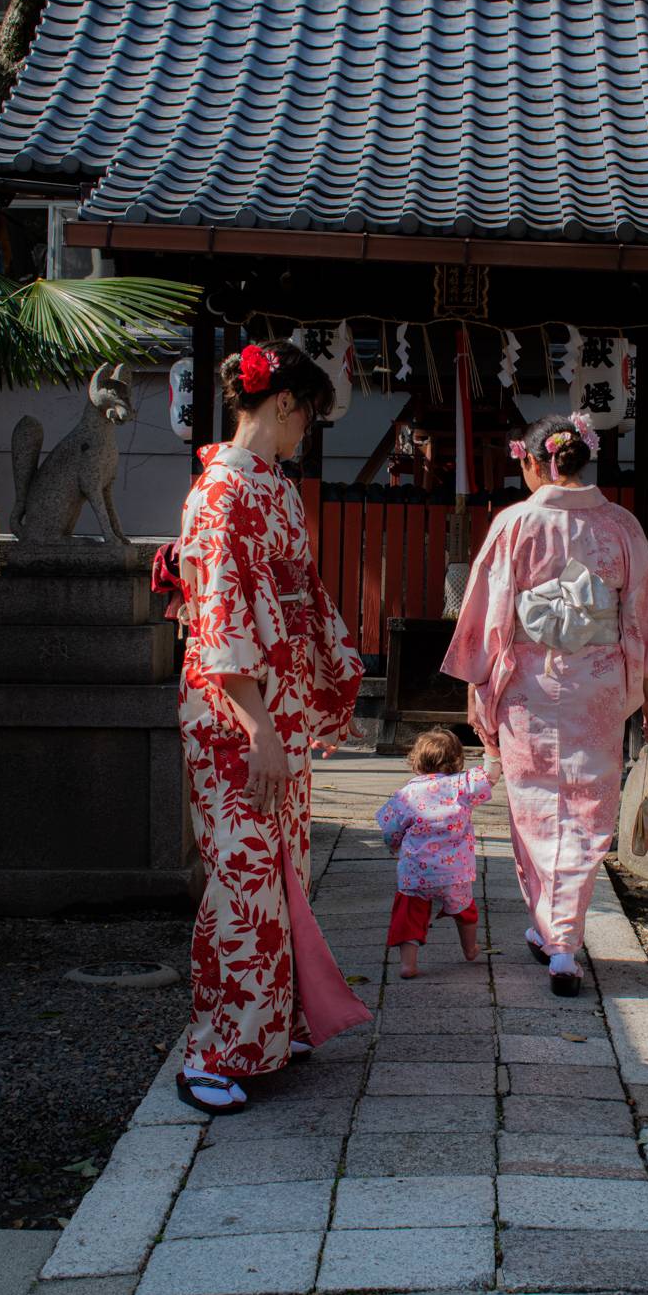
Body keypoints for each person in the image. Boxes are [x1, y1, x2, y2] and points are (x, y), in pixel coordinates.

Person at [174, 339, 370, 1115]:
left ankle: (272, 1027)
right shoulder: (219, 491)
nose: (307, 434)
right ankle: (213, 1050)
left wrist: (322, 693)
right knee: (242, 877)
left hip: (275, 710)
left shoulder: (275, 487)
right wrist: (256, 724)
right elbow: (218, 616)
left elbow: (304, 599)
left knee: (283, 869)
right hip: (235, 713)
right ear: (284, 402)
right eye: (309, 417)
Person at [442, 411, 648, 997]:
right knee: (585, 808)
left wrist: (480, 688)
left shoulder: (514, 524)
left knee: (532, 808)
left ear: (534, 461)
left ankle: (559, 941)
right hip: (597, 689)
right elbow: (642, 618)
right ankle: (560, 936)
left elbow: (489, 614)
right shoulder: (622, 525)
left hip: (526, 686)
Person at [376, 727, 501, 979]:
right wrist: (491, 748)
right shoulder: (462, 785)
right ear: (457, 760)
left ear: (415, 760)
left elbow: (390, 830)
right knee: (465, 911)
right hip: (455, 871)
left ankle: (408, 964)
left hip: (416, 871)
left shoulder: (406, 794)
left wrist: (394, 845)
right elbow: (491, 776)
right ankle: (470, 948)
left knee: (408, 915)